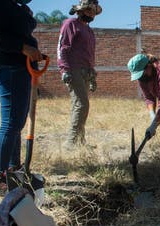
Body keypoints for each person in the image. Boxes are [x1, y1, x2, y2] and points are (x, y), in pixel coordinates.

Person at [0, 0, 45, 196]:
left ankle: (13, 170)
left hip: (22, 68)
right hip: (9, 68)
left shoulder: (14, 6)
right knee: (10, 123)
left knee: (17, 122)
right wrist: (23, 47)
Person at [57, 0, 102, 147]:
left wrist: (92, 74)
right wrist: (64, 69)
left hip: (86, 72)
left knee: (82, 106)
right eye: (89, 11)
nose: (91, 14)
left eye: (93, 12)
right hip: (73, 70)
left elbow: (89, 54)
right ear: (81, 11)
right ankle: (71, 143)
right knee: (81, 105)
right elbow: (62, 47)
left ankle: (80, 141)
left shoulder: (89, 31)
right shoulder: (70, 24)